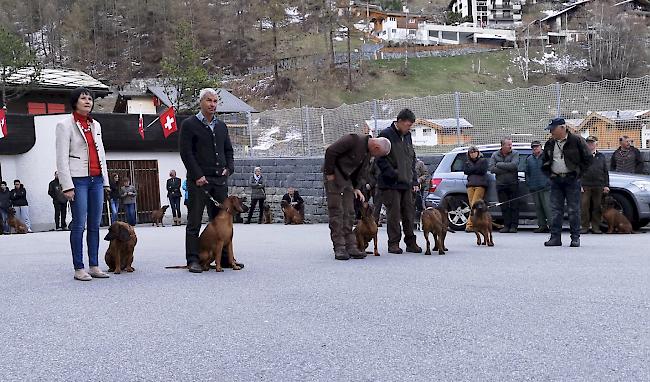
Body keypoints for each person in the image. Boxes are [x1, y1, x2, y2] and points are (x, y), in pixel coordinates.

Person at [180, 88, 243, 273]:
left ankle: (224, 258)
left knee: (222, 220)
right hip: (198, 181)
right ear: (201, 102)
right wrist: (197, 175)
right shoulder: (189, 124)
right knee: (194, 221)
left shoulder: (221, 126)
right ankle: (193, 259)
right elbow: (186, 152)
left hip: (220, 181)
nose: (212, 104)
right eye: (209, 100)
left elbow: (229, 151)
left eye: (215, 101)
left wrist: (228, 168)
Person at [55, 87, 111, 281]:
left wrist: (106, 181)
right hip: (77, 180)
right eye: (83, 98)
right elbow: (61, 158)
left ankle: (94, 265)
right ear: (75, 102)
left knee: (95, 223)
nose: (87, 101)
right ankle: (79, 267)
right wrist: (67, 185)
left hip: (96, 179)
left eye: (90, 98)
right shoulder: (65, 125)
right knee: (79, 224)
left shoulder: (96, 125)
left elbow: (101, 154)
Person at [323, 133, 391, 260]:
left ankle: (351, 246)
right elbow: (331, 151)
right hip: (334, 176)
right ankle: (339, 247)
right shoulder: (353, 139)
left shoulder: (368, 152)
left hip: (347, 180)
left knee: (349, 212)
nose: (376, 157)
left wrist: (356, 188)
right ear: (376, 147)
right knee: (337, 212)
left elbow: (361, 172)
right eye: (378, 155)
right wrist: (330, 174)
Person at [376, 108, 422, 254]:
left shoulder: (407, 136)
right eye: (408, 125)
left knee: (409, 212)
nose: (409, 128)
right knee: (394, 214)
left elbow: (411, 158)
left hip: (406, 182)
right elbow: (379, 158)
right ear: (400, 121)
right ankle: (393, 243)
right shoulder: (385, 134)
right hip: (390, 183)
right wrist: (393, 173)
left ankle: (410, 242)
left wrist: (414, 180)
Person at [541, 118, 592, 247]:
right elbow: (544, 161)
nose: (551, 132)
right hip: (556, 180)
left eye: (553, 129)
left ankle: (575, 238)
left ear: (563, 128)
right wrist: (549, 173)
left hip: (572, 180)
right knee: (555, 210)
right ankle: (555, 237)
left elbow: (588, 158)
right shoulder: (550, 143)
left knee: (573, 210)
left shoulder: (577, 140)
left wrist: (578, 174)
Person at [489, 138, 520, 233]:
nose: (510, 146)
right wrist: (507, 168)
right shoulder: (495, 155)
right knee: (504, 206)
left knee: (514, 206)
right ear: (502, 146)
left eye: (511, 144)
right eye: (508, 145)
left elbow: (514, 166)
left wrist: (499, 164)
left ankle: (514, 226)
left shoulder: (515, 153)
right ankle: (506, 225)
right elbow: (492, 168)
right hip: (501, 184)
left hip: (513, 184)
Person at [581, 136, 609, 234]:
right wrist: (579, 184)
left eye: (592, 143)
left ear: (596, 144)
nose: (590, 145)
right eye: (588, 143)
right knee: (584, 206)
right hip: (585, 185)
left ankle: (595, 227)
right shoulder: (582, 156)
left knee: (597, 207)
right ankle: (584, 227)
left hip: (599, 185)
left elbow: (605, 171)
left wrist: (606, 185)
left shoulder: (601, 156)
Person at [524, 141, 552, 233]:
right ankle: (542, 225)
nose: (535, 148)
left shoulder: (547, 157)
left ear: (541, 147)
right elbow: (527, 172)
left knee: (548, 207)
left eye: (537, 147)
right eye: (533, 147)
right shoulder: (529, 159)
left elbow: (552, 170)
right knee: (538, 207)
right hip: (534, 187)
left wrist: (549, 181)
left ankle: (552, 226)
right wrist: (529, 182)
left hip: (546, 187)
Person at [463, 146, 489, 233]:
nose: (473, 154)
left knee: (475, 204)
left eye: (474, 152)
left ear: (478, 153)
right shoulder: (467, 162)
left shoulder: (483, 160)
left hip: (480, 185)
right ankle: (475, 223)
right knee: (472, 205)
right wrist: (475, 169)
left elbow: (482, 170)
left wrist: (472, 169)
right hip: (470, 185)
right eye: (471, 152)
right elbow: (466, 171)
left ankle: (470, 225)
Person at [414, 158, 429, 230]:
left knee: (419, 204)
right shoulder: (405, 162)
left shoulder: (420, 163)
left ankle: (420, 222)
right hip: (409, 187)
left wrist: (419, 180)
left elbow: (425, 174)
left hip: (419, 187)